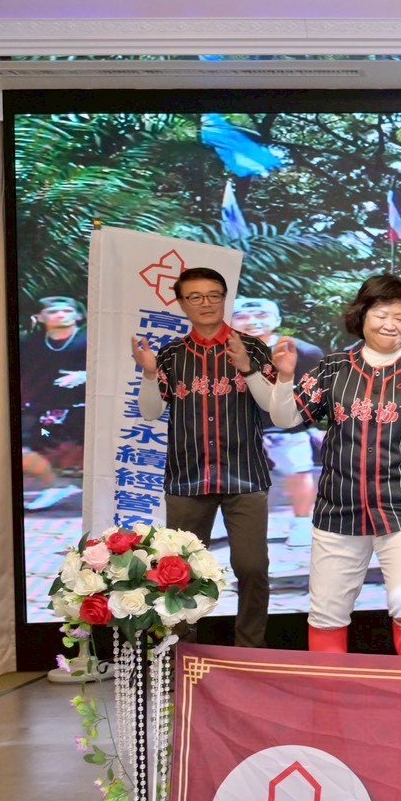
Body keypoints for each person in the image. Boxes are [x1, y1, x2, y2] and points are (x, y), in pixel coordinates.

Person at [268, 274, 401, 656]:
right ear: (362, 316)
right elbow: (287, 418)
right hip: (338, 508)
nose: (390, 324)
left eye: (400, 317)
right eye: (381, 315)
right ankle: (328, 690)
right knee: (328, 611)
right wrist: (284, 378)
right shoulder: (333, 368)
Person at [132, 268, 276, 647]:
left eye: (213, 295)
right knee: (179, 573)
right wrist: (149, 374)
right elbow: (150, 412)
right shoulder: (171, 354)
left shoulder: (253, 348)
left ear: (225, 298)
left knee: (252, 568)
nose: (205, 303)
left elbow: (271, 406)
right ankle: (182, 651)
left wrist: (247, 367)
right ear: (181, 304)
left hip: (245, 477)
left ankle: (251, 650)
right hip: (187, 479)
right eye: (195, 297)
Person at [229, 297, 325, 547]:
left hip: (287, 428)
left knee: (298, 472)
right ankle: (244, 527)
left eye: (262, 316)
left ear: (277, 319)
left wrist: (310, 427)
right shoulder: (220, 352)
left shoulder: (304, 351)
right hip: (237, 426)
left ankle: (302, 523)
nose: (252, 322)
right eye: (242, 317)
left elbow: (315, 394)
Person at [21, 296, 88, 511]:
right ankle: (56, 485)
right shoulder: (30, 344)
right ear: (40, 317)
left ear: (78, 315)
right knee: (30, 447)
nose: (60, 315)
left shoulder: (90, 340)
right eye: (53, 311)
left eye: (67, 311)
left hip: (84, 410)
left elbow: (117, 367)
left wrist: (85, 375)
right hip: (45, 411)